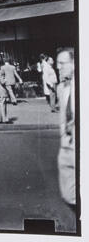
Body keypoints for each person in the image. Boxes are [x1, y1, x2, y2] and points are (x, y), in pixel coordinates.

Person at [56, 48, 75, 206]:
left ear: (74, 63)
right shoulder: (61, 88)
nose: (58, 67)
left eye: (62, 63)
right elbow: (63, 116)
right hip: (67, 146)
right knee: (68, 194)